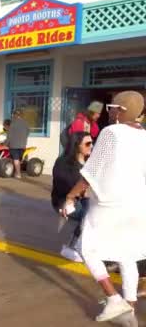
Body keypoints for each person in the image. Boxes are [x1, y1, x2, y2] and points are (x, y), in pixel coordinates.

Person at [63, 91, 146, 322]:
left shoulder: (111, 133)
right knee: (127, 255)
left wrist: (70, 196)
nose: (108, 111)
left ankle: (113, 300)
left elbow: (91, 171)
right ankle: (130, 311)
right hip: (138, 204)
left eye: (111, 107)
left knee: (87, 247)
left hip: (110, 204)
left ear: (120, 111)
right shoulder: (144, 136)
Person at [51, 131, 92, 261]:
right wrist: (83, 192)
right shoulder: (63, 163)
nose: (91, 146)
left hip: (84, 199)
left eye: (92, 143)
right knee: (91, 215)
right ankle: (72, 246)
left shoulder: (90, 161)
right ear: (77, 145)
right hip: (65, 202)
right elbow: (65, 186)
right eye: (87, 143)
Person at [7, 108, 29, 179]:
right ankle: (16, 172)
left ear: (15, 115)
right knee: (18, 160)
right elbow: (27, 133)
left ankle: (18, 174)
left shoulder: (13, 123)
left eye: (13, 114)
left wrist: (5, 144)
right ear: (21, 115)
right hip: (22, 145)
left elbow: (9, 136)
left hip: (14, 145)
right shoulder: (25, 123)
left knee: (15, 159)